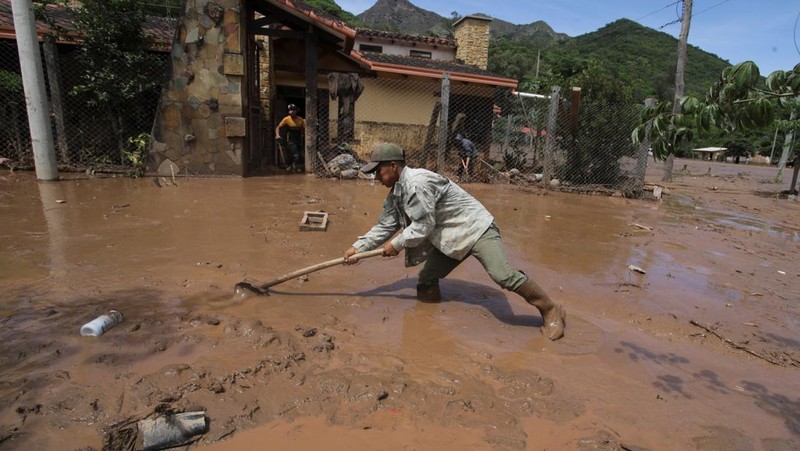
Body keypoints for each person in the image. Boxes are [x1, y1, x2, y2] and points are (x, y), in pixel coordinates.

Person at [343, 143, 566, 340]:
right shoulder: (396, 193)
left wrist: (397, 244)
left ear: (393, 166)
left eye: (378, 171)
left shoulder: (417, 184)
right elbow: (386, 225)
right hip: (450, 237)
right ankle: (428, 327)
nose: (376, 177)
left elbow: (423, 226)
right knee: (427, 280)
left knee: (503, 275)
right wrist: (358, 248)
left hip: (476, 228)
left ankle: (550, 310)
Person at [275, 104, 306, 172]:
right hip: (290, 139)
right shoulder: (286, 119)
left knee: (300, 154)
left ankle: (293, 166)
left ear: (296, 111)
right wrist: (277, 135)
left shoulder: (300, 120)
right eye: (290, 110)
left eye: (293, 110)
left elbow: (304, 129)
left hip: (299, 139)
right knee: (295, 154)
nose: (292, 112)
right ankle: (292, 166)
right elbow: (278, 127)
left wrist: (304, 137)